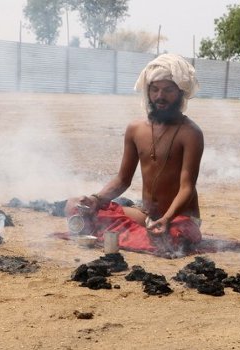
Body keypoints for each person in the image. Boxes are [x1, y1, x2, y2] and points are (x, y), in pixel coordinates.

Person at [65, 53, 204, 255]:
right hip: (145, 214)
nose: (160, 97)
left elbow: (187, 188)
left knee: (173, 238)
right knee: (75, 206)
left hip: (178, 219)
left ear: (181, 92)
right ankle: (143, 235)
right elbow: (123, 179)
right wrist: (96, 198)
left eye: (168, 90)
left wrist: (166, 219)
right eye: (154, 89)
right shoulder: (136, 128)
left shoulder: (191, 133)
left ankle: (147, 235)